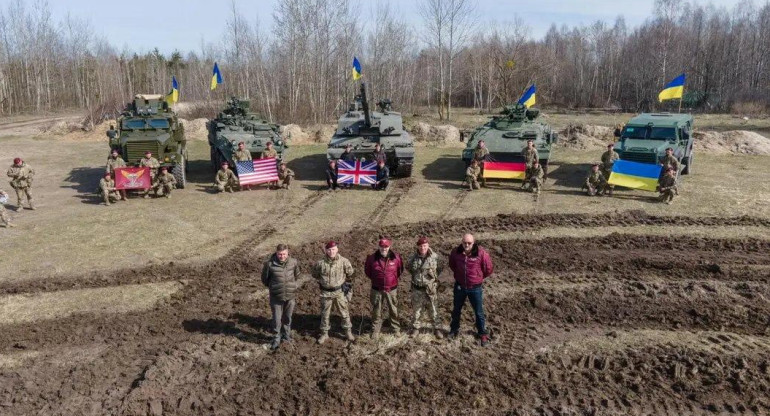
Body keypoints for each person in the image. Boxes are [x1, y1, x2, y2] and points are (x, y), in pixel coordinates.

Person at [448, 233, 494, 347]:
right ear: (461, 242)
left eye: (469, 243)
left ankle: (482, 333)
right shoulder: (455, 252)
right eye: (464, 242)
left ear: (473, 243)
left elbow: (488, 269)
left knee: (478, 312)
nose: (466, 245)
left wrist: (478, 277)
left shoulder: (481, 253)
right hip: (460, 287)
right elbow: (452, 265)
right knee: (456, 310)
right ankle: (454, 330)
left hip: (475, 288)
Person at [311, 241, 356, 344]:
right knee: (325, 314)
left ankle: (348, 332)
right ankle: (324, 333)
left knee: (344, 313)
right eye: (329, 250)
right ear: (326, 250)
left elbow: (351, 275)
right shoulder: (320, 263)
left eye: (333, 249)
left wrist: (348, 290)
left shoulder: (344, 261)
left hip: (339, 292)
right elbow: (314, 274)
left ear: (337, 249)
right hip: (325, 293)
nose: (331, 251)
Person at [261, 244, 300, 350]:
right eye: (279, 254)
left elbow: (297, 275)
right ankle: (276, 338)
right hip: (276, 297)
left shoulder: (293, 262)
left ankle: (286, 336)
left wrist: (290, 286)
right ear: (276, 253)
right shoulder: (269, 264)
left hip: (290, 296)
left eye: (284, 254)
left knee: (287, 318)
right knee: (277, 319)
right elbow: (265, 279)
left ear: (287, 253)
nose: (282, 256)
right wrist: (274, 287)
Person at [364, 237, 404, 338]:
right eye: (382, 246)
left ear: (389, 246)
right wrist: (378, 280)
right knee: (376, 310)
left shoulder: (396, 258)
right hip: (377, 289)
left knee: (393, 310)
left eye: (386, 247)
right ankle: (375, 330)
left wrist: (392, 280)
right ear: (378, 246)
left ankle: (395, 329)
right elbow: (368, 272)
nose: (384, 249)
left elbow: (399, 271)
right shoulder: (371, 258)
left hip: (392, 289)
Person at [406, 237, 443, 338]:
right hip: (417, 289)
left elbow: (439, 268)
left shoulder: (435, 257)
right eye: (421, 246)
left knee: (434, 309)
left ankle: (437, 329)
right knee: (417, 310)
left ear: (428, 246)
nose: (423, 248)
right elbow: (409, 268)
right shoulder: (412, 257)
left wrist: (431, 280)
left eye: (425, 246)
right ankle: (416, 329)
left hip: (430, 289)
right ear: (418, 246)